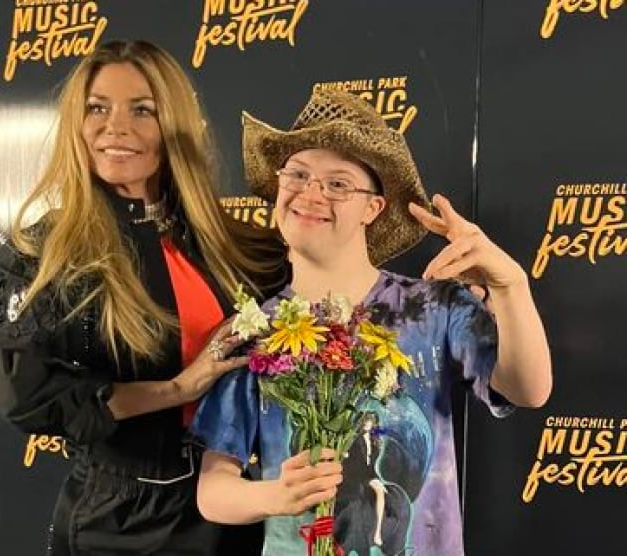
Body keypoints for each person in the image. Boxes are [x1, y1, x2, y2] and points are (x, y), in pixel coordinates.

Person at [190, 89, 553, 555]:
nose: (311, 193)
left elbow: (529, 389)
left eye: (338, 183)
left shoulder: (432, 306)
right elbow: (213, 491)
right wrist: (273, 495)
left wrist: (511, 286)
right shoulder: (253, 330)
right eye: (297, 175)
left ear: (373, 208)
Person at [0, 40, 286, 555]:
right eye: (97, 108)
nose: (114, 127)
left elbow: (322, 301)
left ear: (174, 125)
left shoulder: (230, 242)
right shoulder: (49, 253)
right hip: (119, 521)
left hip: (232, 506)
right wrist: (175, 389)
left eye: (141, 110)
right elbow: (26, 395)